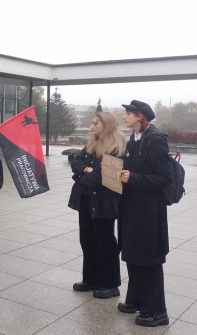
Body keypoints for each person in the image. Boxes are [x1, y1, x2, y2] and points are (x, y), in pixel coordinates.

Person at [117, 100, 172, 327]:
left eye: (128, 114)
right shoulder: (135, 137)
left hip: (149, 212)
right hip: (132, 207)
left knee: (148, 259)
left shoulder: (155, 140)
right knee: (133, 253)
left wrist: (135, 178)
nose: (124, 117)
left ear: (140, 116)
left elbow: (165, 178)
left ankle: (157, 311)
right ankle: (136, 299)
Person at [68, 112, 125, 298]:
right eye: (91, 123)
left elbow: (98, 180)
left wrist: (85, 174)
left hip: (104, 201)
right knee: (87, 238)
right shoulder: (91, 144)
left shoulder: (116, 147)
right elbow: (75, 162)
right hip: (86, 199)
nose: (91, 126)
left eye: (95, 123)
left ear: (106, 125)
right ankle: (90, 279)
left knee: (105, 241)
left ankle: (109, 283)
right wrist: (85, 169)